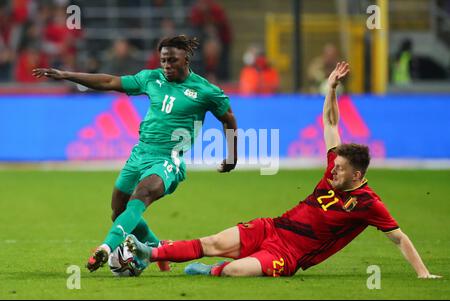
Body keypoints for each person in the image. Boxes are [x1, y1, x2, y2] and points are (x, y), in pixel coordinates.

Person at [125, 61, 441, 279]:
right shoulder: (335, 164)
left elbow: (399, 238)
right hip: (273, 227)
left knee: (236, 271)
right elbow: (331, 122)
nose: (332, 172)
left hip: (289, 255)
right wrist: (331, 87)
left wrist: (423, 273)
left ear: (357, 176)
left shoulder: (369, 204)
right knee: (212, 243)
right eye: (335, 165)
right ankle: (148, 253)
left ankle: (211, 270)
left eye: (341, 170)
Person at [32, 35, 238, 273]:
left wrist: (232, 156)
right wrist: (67, 74)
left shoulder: (205, 90)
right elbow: (109, 81)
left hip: (167, 159)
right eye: (163, 60)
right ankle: (156, 247)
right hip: (139, 154)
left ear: (186, 58)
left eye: (172, 60)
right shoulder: (152, 78)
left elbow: (228, 118)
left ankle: (106, 248)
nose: (167, 66)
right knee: (118, 211)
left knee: (140, 196)